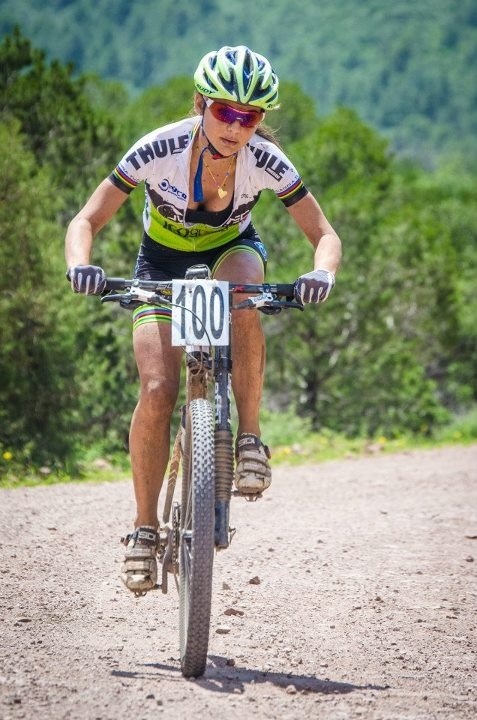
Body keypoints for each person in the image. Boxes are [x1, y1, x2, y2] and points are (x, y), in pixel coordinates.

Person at [65, 45, 342, 595]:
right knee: (157, 389)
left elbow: (325, 235)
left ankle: (250, 439)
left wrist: (322, 273)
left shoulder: (266, 161)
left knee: (243, 297)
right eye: (225, 112)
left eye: (251, 116)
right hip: (160, 264)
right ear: (200, 104)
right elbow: (86, 220)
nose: (237, 127)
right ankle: (144, 528)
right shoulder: (159, 148)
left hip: (230, 252)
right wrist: (81, 264)